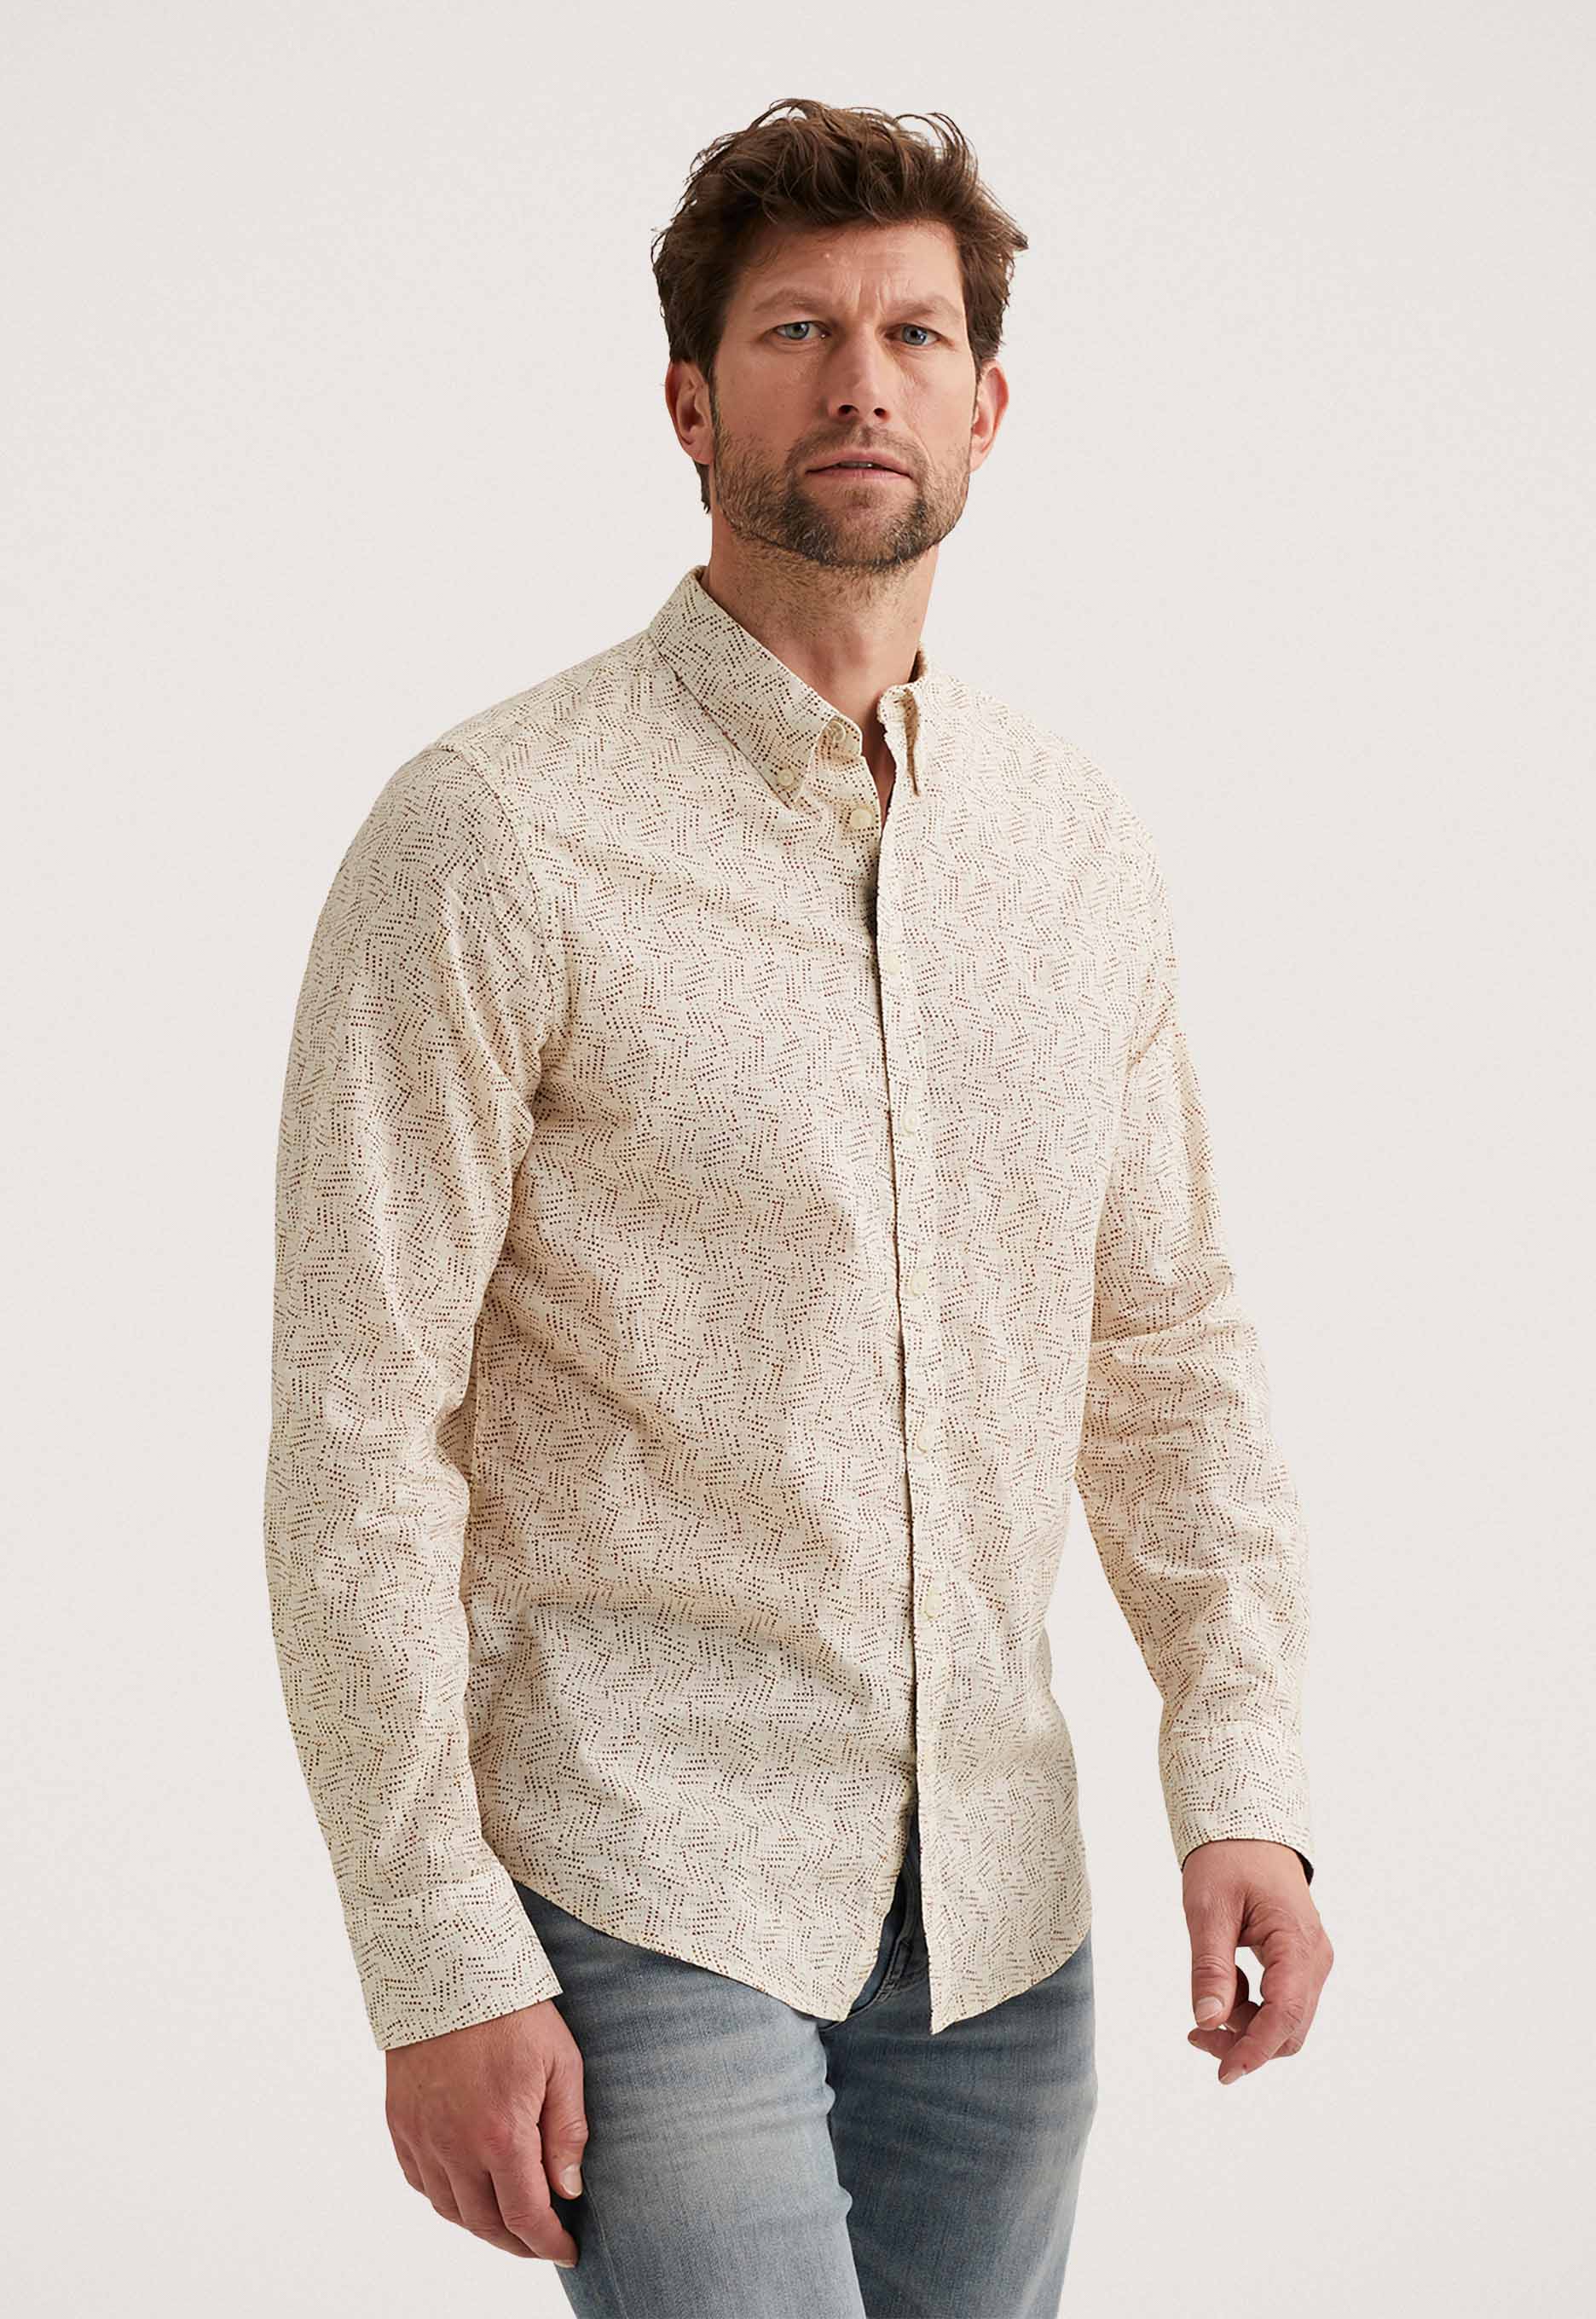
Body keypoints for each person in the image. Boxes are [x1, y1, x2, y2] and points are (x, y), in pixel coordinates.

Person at [263, 95, 1333, 2317]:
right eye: (796, 333)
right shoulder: (493, 833)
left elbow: (1166, 1343)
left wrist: (1240, 1778)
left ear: (986, 405)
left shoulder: (1073, 849)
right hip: (645, 1895)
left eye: (915, 334)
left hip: (1005, 1930)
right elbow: (361, 1420)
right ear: (691, 403)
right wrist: (436, 1952)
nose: (863, 381)